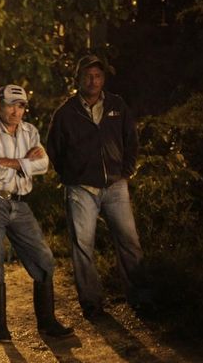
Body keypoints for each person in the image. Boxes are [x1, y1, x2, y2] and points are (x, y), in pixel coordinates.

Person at [47, 55, 151, 319]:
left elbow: (131, 139)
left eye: (98, 76)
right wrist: (73, 175)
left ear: (103, 79)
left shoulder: (117, 105)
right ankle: (92, 303)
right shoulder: (65, 113)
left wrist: (125, 171)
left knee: (130, 242)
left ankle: (140, 298)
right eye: (88, 76)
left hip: (116, 186)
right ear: (78, 79)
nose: (93, 81)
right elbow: (54, 151)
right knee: (83, 246)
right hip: (81, 189)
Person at [0, 85, 74, 342]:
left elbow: (43, 164)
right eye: (10, 105)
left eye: (20, 106)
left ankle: (47, 322)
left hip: (20, 204)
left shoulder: (30, 131)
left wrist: (11, 162)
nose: (16, 111)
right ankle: (1, 326)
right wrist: (25, 162)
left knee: (44, 259)